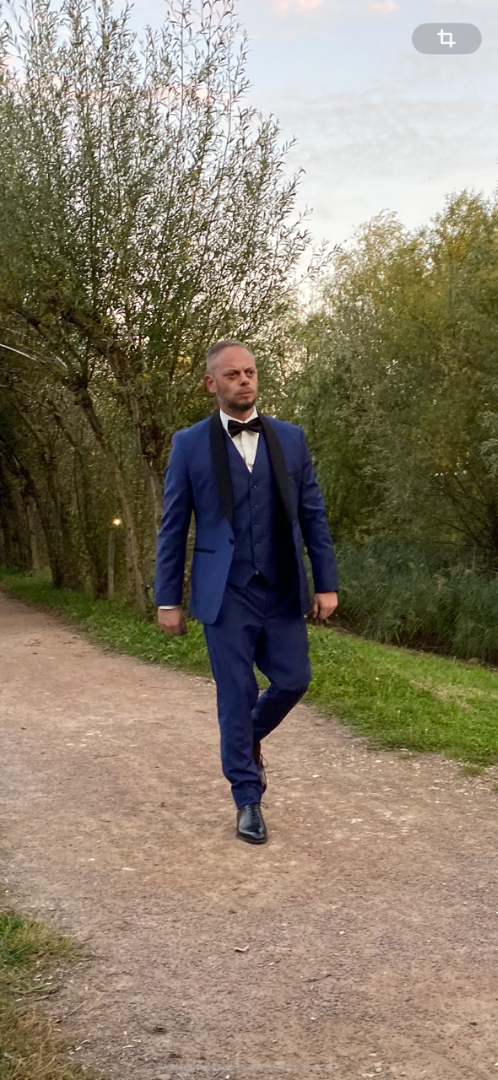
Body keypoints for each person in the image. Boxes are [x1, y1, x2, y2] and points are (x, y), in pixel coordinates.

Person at [155, 341, 339, 844]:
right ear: (212, 384)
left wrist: (326, 582)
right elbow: (173, 526)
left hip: (280, 587)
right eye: (233, 374)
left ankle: (243, 738)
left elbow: (313, 516)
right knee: (235, 693)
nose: (244, 380)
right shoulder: (189, 444)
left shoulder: (291, 439)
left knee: (294, 680)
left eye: (250, 372)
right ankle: (247, 798)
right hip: (225, 593)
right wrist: (167, 598)